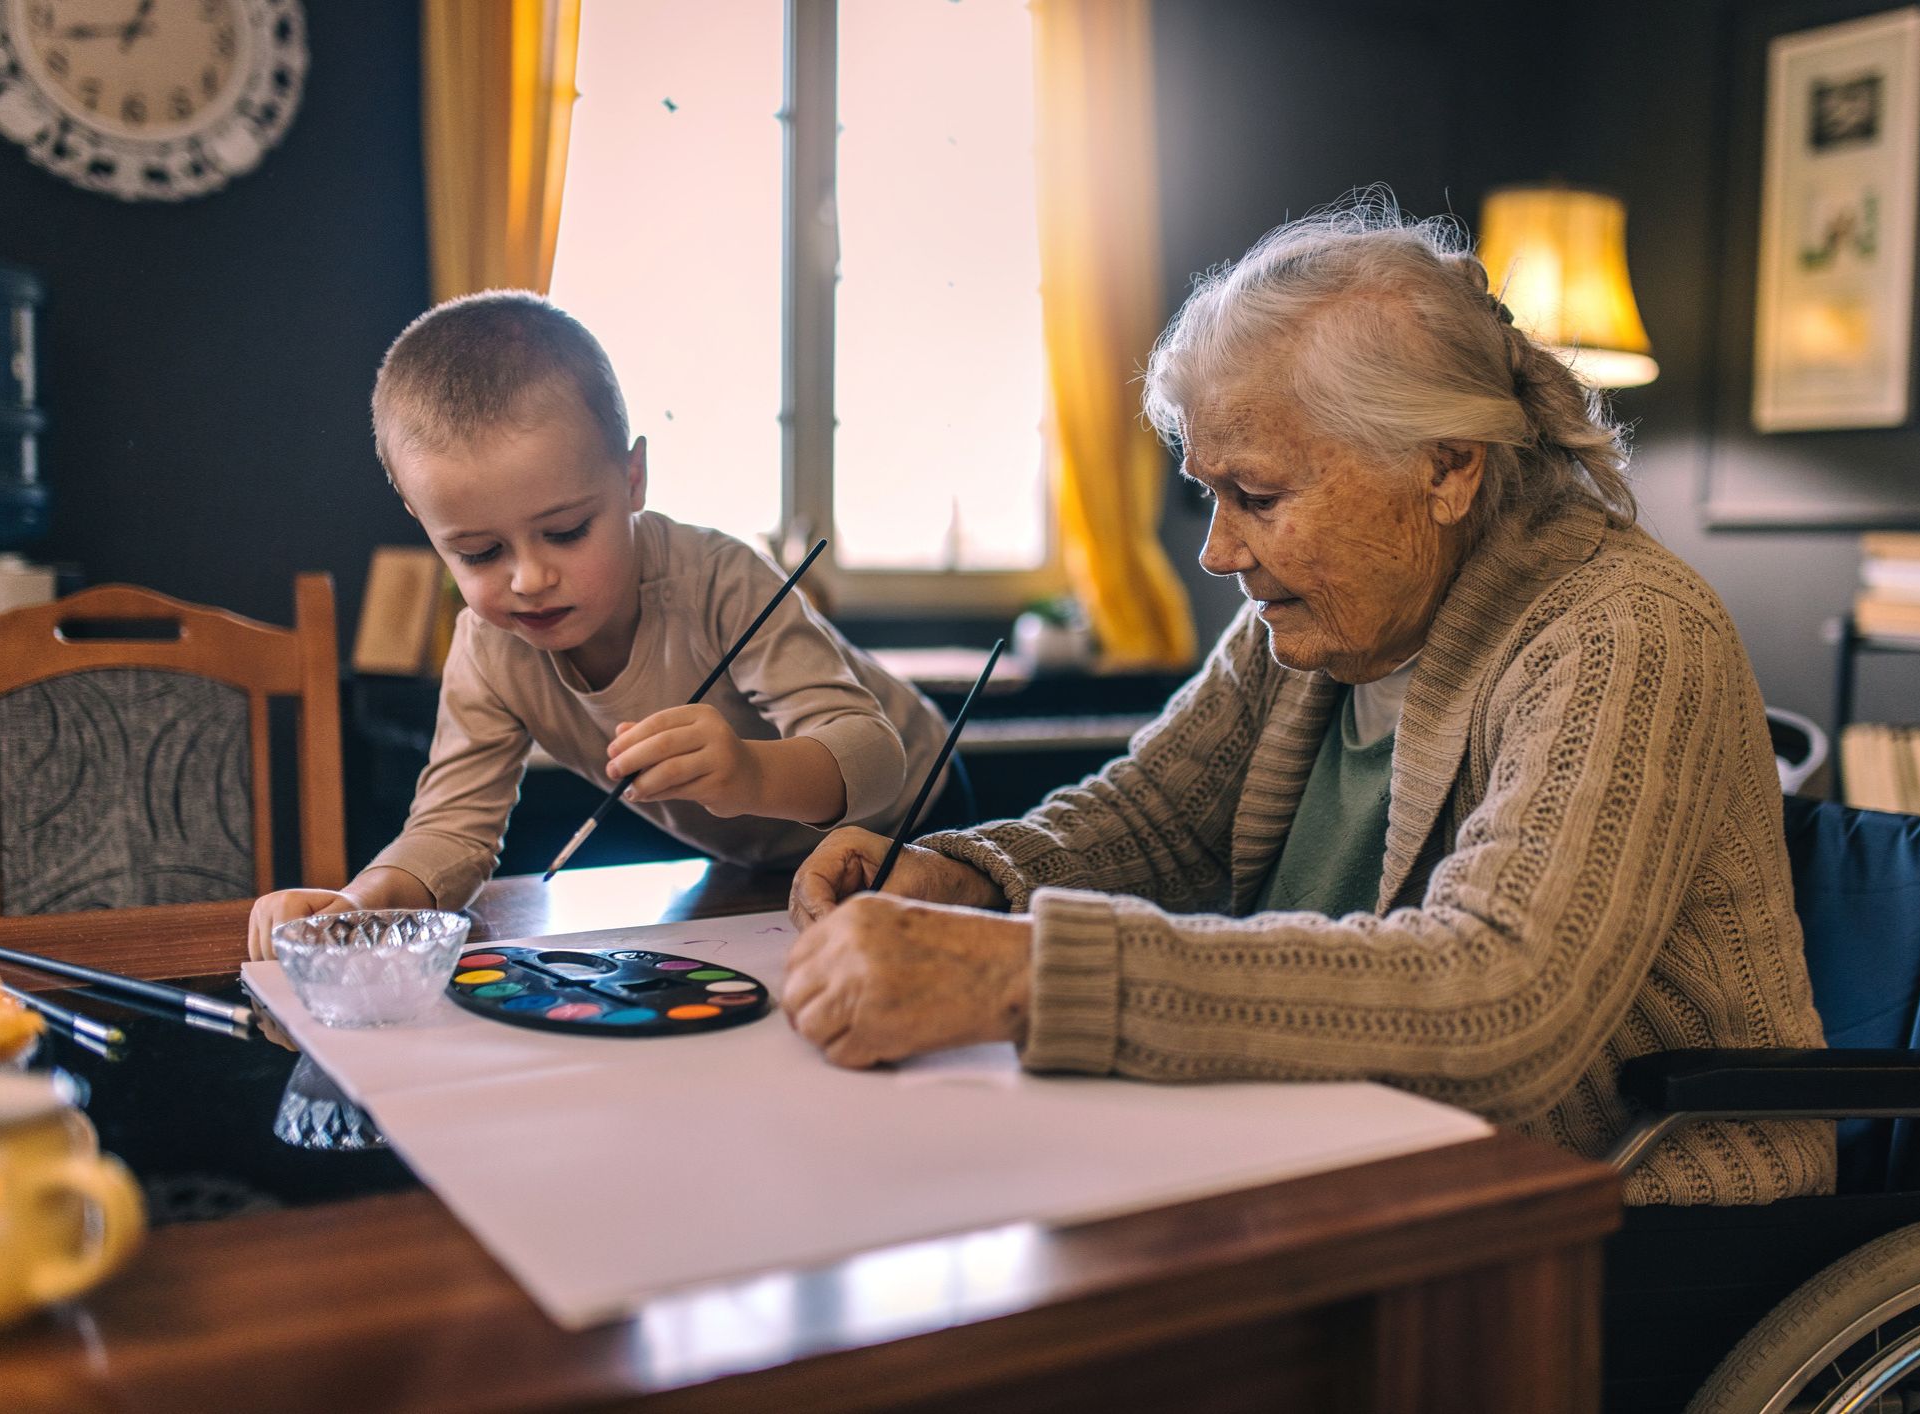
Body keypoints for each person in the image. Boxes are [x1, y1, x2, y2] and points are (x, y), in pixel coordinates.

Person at [782, 200, 1835, 1206]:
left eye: (1259, 495)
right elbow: (1157, 816)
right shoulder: (1311, 618)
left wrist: (1023, 977)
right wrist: (964, 875)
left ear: (1448, 469)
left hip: (1623, 1211)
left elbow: (1498, 1002)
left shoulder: (1623, 631)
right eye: (1209, 493)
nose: (1217, 550)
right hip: (1355, 1155)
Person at [248, 292, 956, 960]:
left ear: (633, 478)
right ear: (421, 518)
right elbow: (449, 831)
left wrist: (749, 771)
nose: (529, 579)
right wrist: (360, 904)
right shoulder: (488, 649)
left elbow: (875, 757)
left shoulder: (720, 579)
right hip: (768, 867)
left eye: (565, 531)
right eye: (480, 552)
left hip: (923, 822)